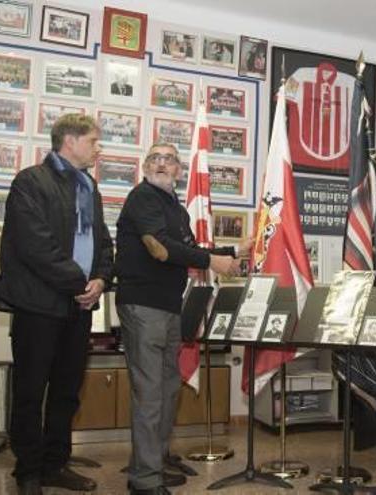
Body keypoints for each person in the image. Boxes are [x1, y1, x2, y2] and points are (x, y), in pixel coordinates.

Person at [0, 113, 113, 495]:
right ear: (71, 140)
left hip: (77, 309)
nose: (98, 148)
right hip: (38, 306)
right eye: (94, 140)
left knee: (66, 391)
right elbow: (35, 246)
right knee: (30, 391)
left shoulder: (88, 186)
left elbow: (103, 243)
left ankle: (55, 464)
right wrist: (79, 282)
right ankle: (28, 471)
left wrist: (101, 280)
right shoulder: (31, 181)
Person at [114, 143, 240, 495]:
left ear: (179, 171)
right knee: (151, 394)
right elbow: (161, 248)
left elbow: (186, 246)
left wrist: (231, 252)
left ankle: (157, 460)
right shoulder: (143, 197)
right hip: (143, 306)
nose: (160, 163)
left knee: (168, 389)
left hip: (169, 307)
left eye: (168, 158)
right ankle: (144, 479)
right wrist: (211, 263)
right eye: (154, 158)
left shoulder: (175, 207)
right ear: (144, 167)